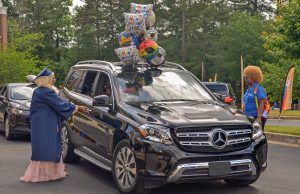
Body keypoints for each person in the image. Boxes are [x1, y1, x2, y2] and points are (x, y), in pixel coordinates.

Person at [20, 67, 87, 183]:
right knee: (48, 145)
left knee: (45, 145)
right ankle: (45, 174)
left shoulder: (38, 91)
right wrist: (77, 107)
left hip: (41, 122)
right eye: (52, 78)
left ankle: (51, 172)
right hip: (45, 123)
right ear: (46, 79)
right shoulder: (46, 92)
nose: (54, 80)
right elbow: (60, 104)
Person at [243, 65, 267, 129]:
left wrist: (259, 118)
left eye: (246, 77)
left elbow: (261, 104)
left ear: (252, 77)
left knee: (257, 136)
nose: (245, 79)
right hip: (248, 117)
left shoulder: (259, 89)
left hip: (255, 117)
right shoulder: (248, 90)